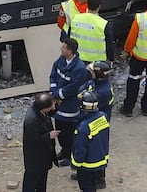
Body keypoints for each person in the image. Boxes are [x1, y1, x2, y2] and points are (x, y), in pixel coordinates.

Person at [49, 38, 88, 167]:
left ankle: (70, 154)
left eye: (64, 48)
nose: (61, 49)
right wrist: (54, 90)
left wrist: (58, 95)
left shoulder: (79, 68)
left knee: (68, 133)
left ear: (70, 51)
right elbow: (53, 75)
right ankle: (64, 151)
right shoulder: (61, 60)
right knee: (60, 129)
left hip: (69, 106)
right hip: (59, 103)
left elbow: (73, 88)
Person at [77, 61, 113, 189]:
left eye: (92, 71)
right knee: (92, 147)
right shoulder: (97, 83)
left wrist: (82, 97)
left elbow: (88, 101)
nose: (89, 73)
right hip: (94, 118)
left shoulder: (103, 91)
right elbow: (84, 88)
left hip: (97, 120)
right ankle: (88, 173)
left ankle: (99, 179)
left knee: (97, 149)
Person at [71, 90, 110, 192]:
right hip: (100, 158)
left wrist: (76, 164)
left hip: (87, 164)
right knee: (94, 183)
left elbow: (80, 149)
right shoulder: (103, 116)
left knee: (87, 186)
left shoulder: (83, 128)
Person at [21, 92, 59, 192]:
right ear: (44, 107)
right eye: (52, 105)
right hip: (35, 158)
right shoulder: (32, 121)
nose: (53, 108)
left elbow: (51, 112)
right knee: (31, 182)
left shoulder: (39, 110)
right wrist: (49, 136)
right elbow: (32, 141)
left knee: (42, 181)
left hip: (43, 156)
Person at [68, 0, 114, 64]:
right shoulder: (103, 24)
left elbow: (68, 38)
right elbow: (110, 45)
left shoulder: (75, 19)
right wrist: (111, 59)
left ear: (87, 4)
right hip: (96, 63)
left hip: (76, 60)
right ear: (99, 6)